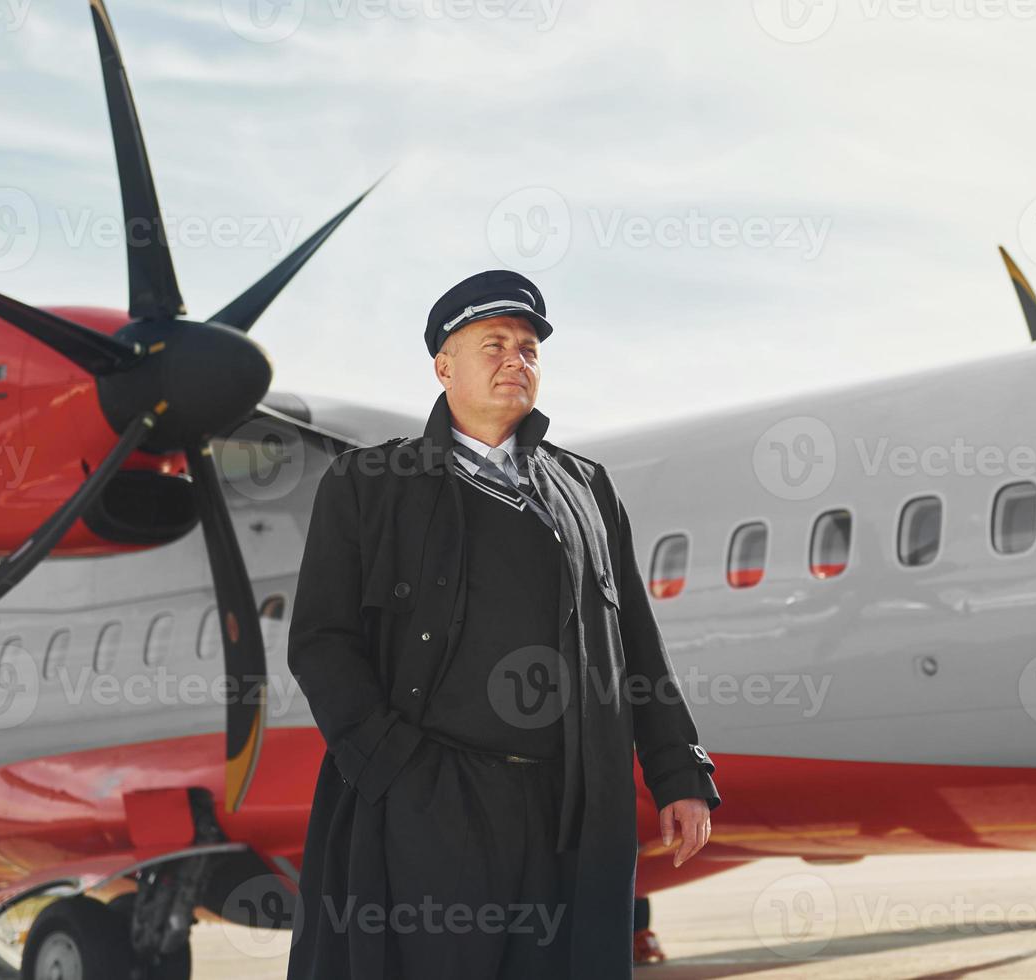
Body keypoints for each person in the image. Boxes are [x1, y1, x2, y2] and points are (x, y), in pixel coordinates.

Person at [286, 269, 720, 979]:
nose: (516, 359)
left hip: (571, 806)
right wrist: (394, 768)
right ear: (443, 365)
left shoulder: (587, 489)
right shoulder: (366, 485)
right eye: (493, 344)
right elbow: (321, 641)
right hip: (432, 804)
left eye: (528, 348)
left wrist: (679, 772)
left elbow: (637, 643)